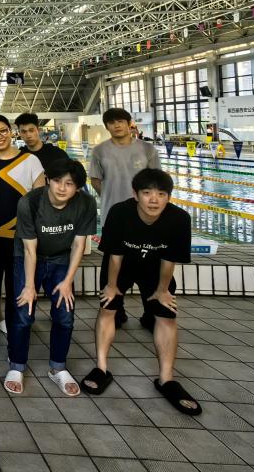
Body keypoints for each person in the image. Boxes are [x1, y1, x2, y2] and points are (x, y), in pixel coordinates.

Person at [80, 169, 201, 416]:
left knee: (166, 315)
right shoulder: (119, 213)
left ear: (169, 197)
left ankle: (166, 379)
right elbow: (115, 255)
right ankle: (101, 368)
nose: (154, 200)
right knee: (108, 308)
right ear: (135, 195)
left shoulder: (179, 219)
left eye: (161, 194)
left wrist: (162, 290)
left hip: (155, 269)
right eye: (147, 193)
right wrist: (112, 286)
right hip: (121, 266)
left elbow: (169, 259)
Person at [4, 158, 96, 396]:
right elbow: (29, 249)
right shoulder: (30, 202)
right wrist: (29, 286)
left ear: (78, 187)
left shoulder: (85, 203)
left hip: (61, 259)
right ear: (47, 180)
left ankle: (58, 367)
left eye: (69, 183)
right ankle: (16, 365)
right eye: (57, 181)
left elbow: (79, 245)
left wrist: (67, 282)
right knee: (23, 314)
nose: (62, 188)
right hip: (27, 257)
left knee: (65, 315)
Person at [88, 107, 161, 328]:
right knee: (111, 269)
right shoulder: (100, 151)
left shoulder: (147, 149)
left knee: (150, 268)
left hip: (146, 219)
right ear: (107, 126)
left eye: (120, 121)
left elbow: (157, 181)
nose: (116, 125)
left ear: (129, 123)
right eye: (111, 122)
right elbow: (95, 180)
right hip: (113, 219)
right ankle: (115, 313)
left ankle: (152, 315)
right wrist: (111, 198)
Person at [0, 114, 45, 347]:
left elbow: (40, 199)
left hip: (20, 237)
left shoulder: (31, 161)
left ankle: (15, 325)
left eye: (2, 131)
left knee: (15, 285)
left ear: (11, 131)